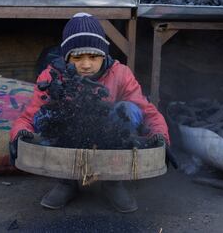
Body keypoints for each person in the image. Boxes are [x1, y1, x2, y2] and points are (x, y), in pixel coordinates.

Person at [9, 12, 170, 213]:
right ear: (67, 57)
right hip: (69, 134)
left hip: (109, 134)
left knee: (127, 110)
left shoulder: (120, 73)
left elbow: (147, 112)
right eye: (77, 57)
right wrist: (19, 134)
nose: (86, 65)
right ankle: (66, 182)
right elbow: (29, 115)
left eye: (93, 56)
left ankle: (113, 182)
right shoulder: (53, 76)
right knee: (46, 116)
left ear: (103, 55)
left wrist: (160, 136)